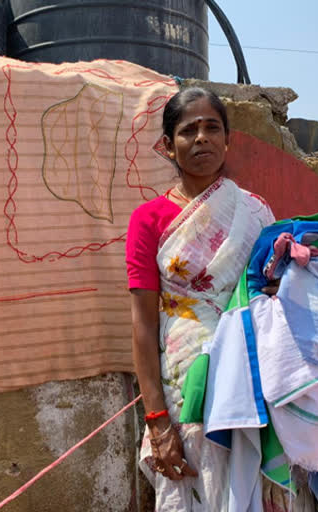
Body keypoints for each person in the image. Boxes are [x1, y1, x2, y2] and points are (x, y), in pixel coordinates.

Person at [126, 87, 281, 511]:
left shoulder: (255, 212)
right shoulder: (149, 220)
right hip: (183, 383)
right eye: (188, 130)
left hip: (250, 375)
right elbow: (143, 323)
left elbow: (273, 300)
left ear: (228, 139)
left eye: (212, 128)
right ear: (168, 145)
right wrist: (157, 422)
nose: (201, 138)